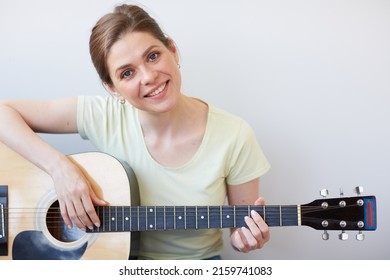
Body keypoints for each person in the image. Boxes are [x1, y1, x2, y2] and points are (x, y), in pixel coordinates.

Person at [0, 4, 271, 260]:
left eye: (153, 56)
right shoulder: (102, 114)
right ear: (112, 88)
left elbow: (240, 227)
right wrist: (60, 170)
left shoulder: (235, 135)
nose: (148, 77)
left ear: (173, 51)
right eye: (127, 73)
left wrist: (243, 239)